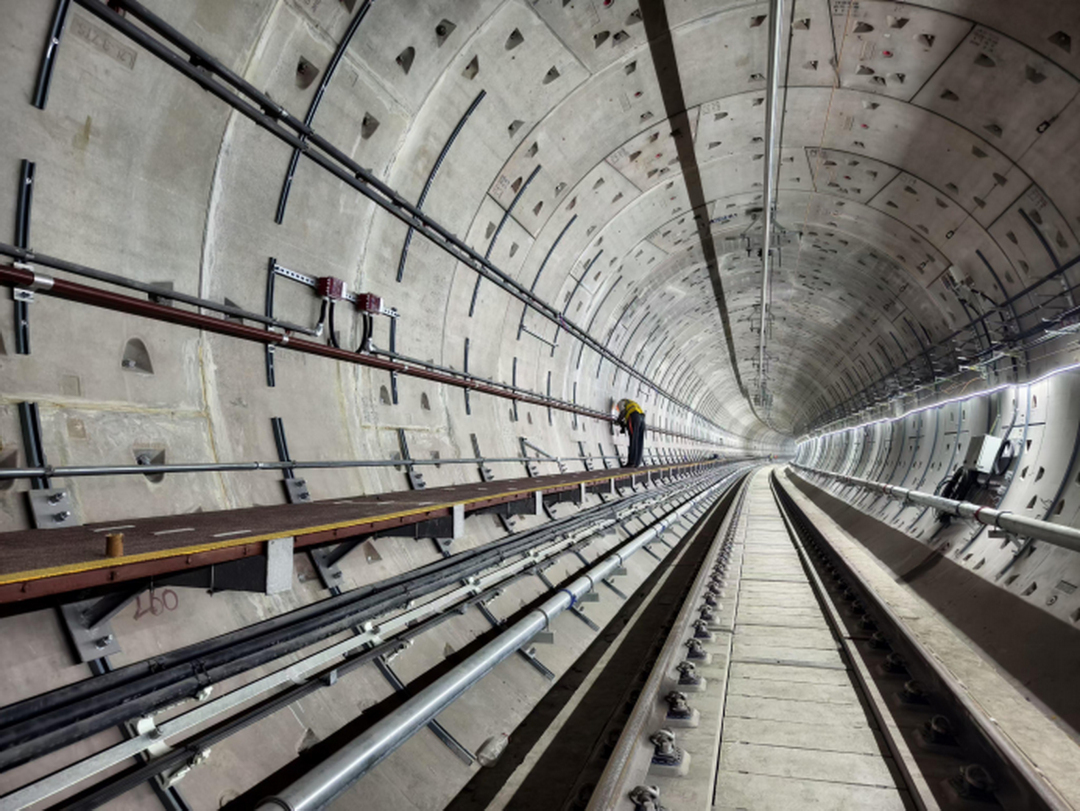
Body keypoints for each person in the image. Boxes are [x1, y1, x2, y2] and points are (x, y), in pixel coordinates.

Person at [616, 398, 646, 467]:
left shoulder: (621, 402)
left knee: (633, 440)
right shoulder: (632, 403)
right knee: (639, 441)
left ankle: (631, 462)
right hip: (642, 419)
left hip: (634, 417)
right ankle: (637, 462)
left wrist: (618, 421)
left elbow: (623, 412)